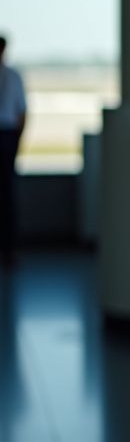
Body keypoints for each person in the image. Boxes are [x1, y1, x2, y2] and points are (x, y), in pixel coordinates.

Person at [0, 36, 25, 268]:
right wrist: (18, 140)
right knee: (7, 194)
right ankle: (9, 250)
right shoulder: (13, 76)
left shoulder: (14, 76)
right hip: (7, 136)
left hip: (7, 134)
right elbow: (22, 112)